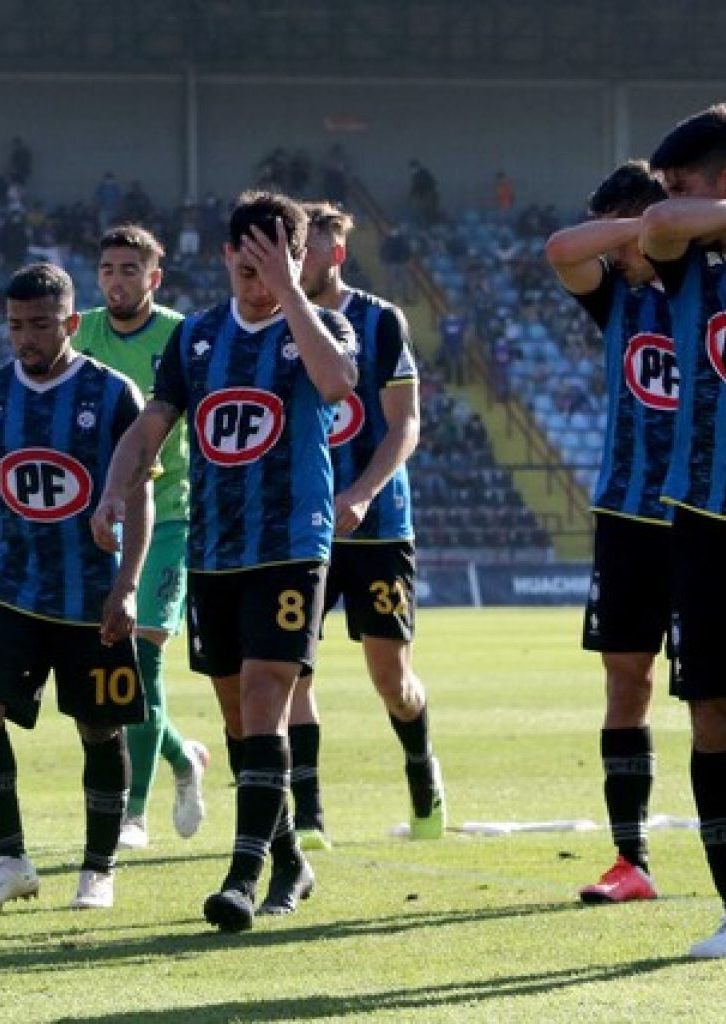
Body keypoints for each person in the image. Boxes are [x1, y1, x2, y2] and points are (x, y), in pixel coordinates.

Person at [91, 191, 357, 933]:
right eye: (246, 257)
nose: (255, 271)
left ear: (298, 259)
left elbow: (337, 384)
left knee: (269, 697)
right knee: (240, 718)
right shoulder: (198, 339)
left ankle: (242, 877)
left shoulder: (322, 327)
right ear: (225, 257)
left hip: (291, 546)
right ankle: (291, 859)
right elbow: (151, 425)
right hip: (214, 548)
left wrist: (291, 292)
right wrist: (115, 487)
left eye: (272, 257)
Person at [0, 262, 150, 916]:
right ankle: (10, 858)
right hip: (8, 587)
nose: (26, 338)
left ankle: (99, 868)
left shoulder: (112, 394)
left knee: (99, 728)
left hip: (88, 592)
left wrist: (127, 585)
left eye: (40, 325)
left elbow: (140, 496)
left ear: (70, 322)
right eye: (15, 325)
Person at [287, 201, 445, 851]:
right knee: (291, 669)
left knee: (393, 682)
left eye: (311, 250)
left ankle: (422, 770)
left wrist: (363, 489)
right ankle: (309, 817)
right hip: (301, 530)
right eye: (293, 249)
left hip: (379, 526)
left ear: (336, 254)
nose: (300, 262)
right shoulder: (276, 324)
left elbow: (405, 423)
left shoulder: (380, 322)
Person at [640, 101, 726, 957]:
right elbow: (657, 222)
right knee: (714, 713)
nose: (668, 200)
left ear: (724, 182)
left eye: (686, 184)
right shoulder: (688, 268)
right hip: (707, 520)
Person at [545, 160, 674, 906]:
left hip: (711, 516)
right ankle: (632, 860)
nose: (614, 251)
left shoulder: (721, 290)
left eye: (624, 231)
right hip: (627, 515)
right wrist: (637, 231)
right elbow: (563, 249)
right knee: (626, 680)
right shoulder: (617, 299)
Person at [72, 224, 208, 851]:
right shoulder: (83, 333)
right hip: (99, 514)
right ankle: (183, 759)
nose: (117, 280)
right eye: (108, 269)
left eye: (131, 270)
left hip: (170, 513)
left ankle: (133, 812)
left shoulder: (183, 336)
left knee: (144, 656)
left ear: (155, 278)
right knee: (103, 665)